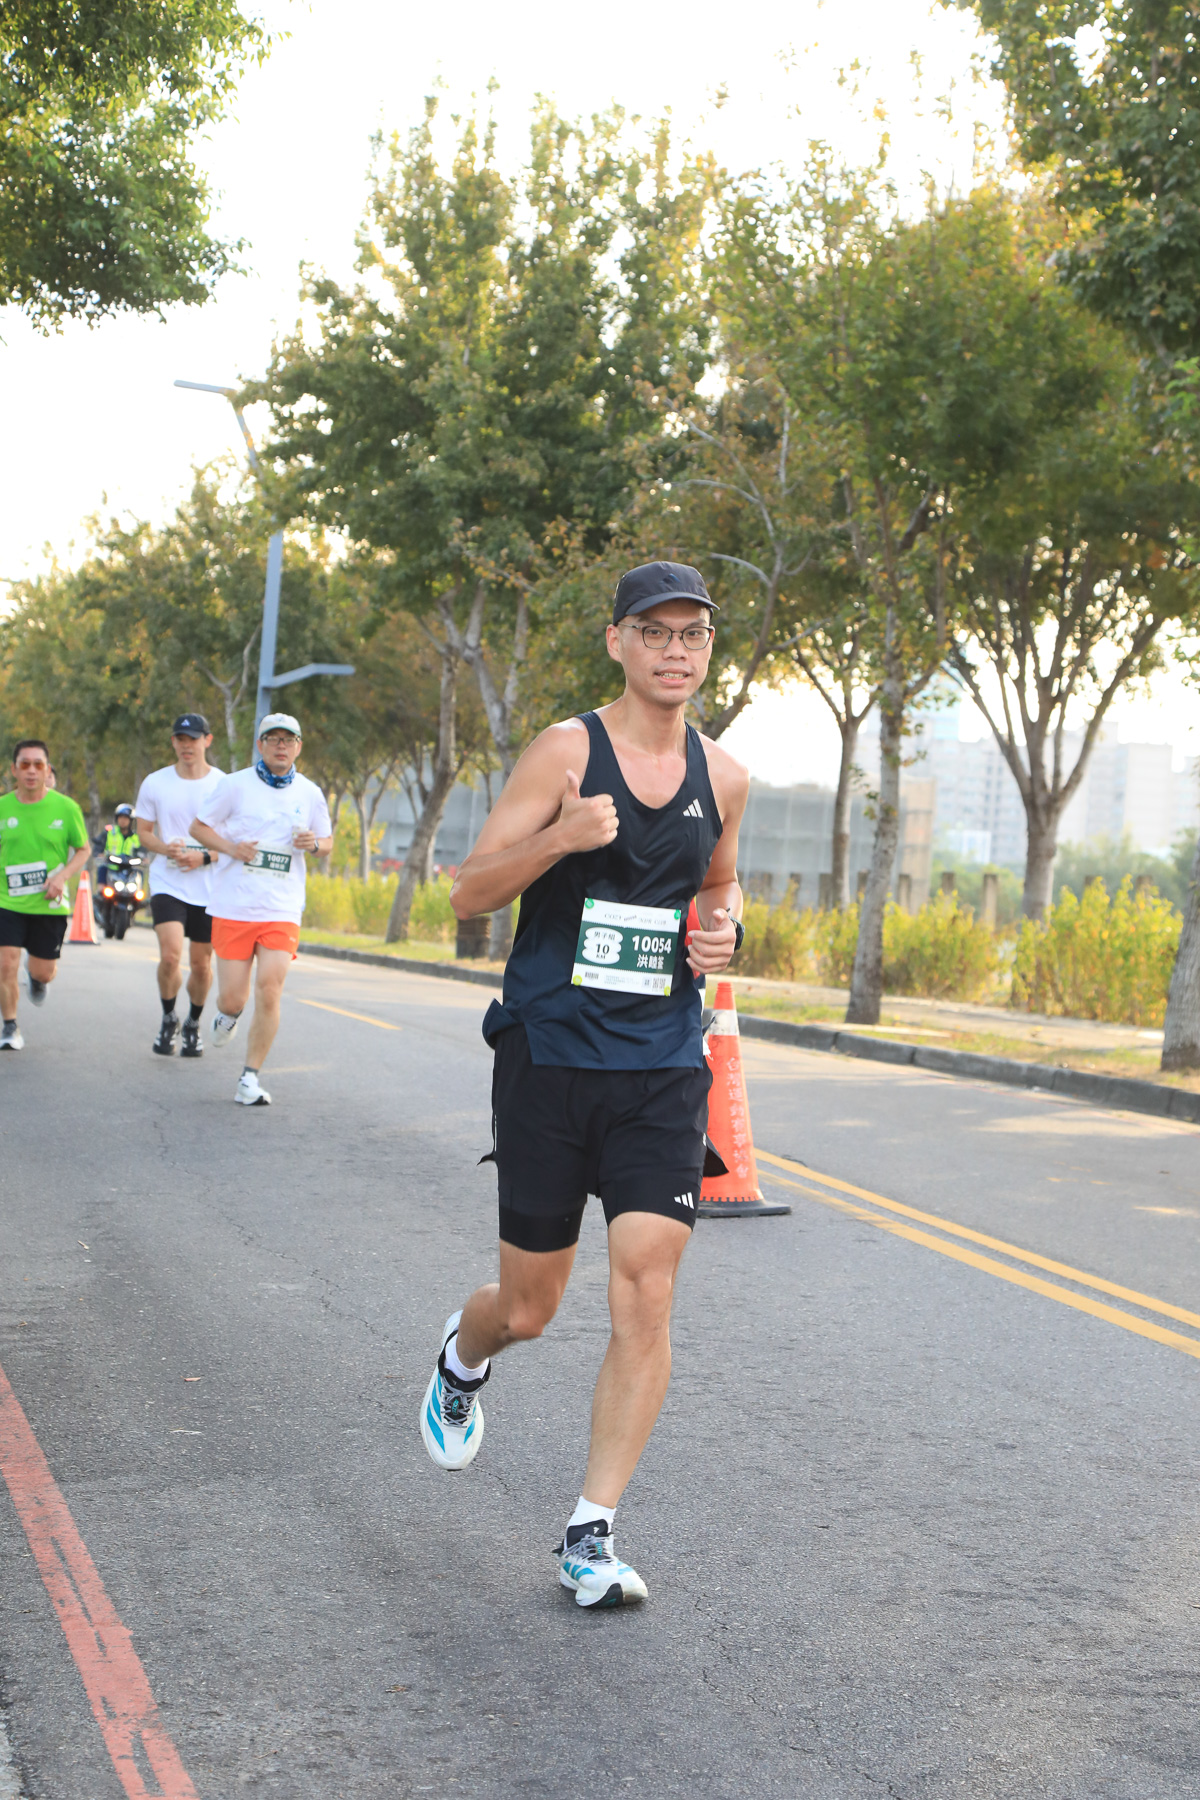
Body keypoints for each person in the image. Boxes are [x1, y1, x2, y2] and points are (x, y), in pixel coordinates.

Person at [421, 560, 749, 1609]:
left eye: (692, 634)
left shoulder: (724, 775)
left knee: (647, 1287)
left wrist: (724, 929)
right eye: (654, 632)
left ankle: (590, 1533)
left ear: (708, 648)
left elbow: (718, 884)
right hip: (552, 1056)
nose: (674, 651)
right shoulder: (566, 752)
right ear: (617, 642)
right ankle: (463, 1360)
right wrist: (562, 836)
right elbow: (469, 891)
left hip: (662, 1065)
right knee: (529, 1307)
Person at [190, 713, 331, 1106]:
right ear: (260, 745)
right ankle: (227, 1016)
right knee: (233, 999)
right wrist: (231, 848)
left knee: (270, 989)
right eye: (273, 738)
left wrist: (313, 845)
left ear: (298, 747)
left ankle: (249, 1078)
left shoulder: (310, 792)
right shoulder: (234, 785)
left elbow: (327, 842)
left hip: (282, 907)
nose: (281, 745)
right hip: (235, 905)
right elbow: (198, 828)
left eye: (289, 739)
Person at [134, 714, 226, 1058]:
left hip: (209, 887)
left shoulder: (223, 784)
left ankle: (192, 1023)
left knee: (201, 965)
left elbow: (234, 840)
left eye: (193, 739)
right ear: (173, 742)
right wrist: (166, 849)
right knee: (170, 957)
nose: (187, 746)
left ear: (207, 741)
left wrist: (204, 857)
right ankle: (168, 1016)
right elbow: (144, 833)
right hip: (168, 881)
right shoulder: (155, 783)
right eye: (180, 739)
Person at [0, 740, 91, 1051]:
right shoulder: (3, 807)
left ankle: (37, 978)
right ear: (14, 770)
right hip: (7, 900)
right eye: (24, 764)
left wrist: (61, 877)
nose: (31, 771)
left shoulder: (66, 808)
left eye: (38, 765)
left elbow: (83, 850)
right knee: (6, 964)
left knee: (44, 971)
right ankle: (10, 1027)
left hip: (49, 903)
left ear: (47, 770)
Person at [95, 804, 141, 890]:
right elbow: (98, 845)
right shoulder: (109, 832)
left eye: (126, 818)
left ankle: (139, 890)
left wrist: (144, 858)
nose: (123, 820)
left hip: (129, 869)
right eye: (121, 817)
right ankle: (100, 890)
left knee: (140, 873)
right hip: (111, 867)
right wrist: (99, 854)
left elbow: (142, 851)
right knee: (102, 868)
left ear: (131, 820)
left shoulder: (136, 837)